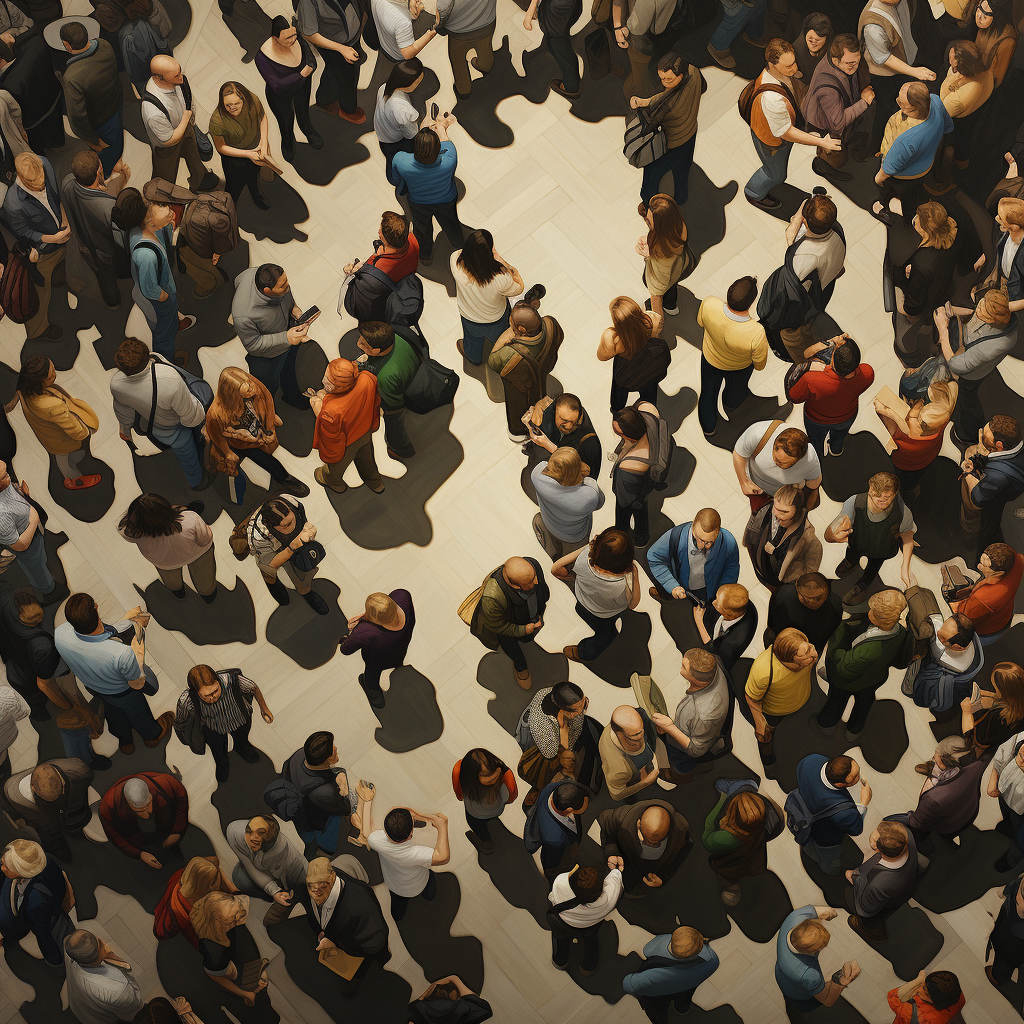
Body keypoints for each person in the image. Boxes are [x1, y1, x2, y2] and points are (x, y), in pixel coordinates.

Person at [54, 594, 174, 755]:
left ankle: (126, 742)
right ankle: (152, 736)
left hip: (93, 686)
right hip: (123, 692)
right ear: (96, 607)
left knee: (113, 711)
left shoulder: (60, 633)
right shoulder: (120, 653)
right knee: (138, 712)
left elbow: (100, 633)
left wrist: (128, 621)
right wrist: (138, 649)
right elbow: (136, 683)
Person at [743, 39, 842, 213]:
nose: (795, 69)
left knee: (777, 169)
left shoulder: (777, 74)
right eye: (788, 66)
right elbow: (787, 133)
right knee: (775, 173)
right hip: (770, 140)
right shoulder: (771, 99)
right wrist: (821, 143)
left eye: (794, 62)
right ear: (771, 64)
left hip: (776, 130)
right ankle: (753, 193)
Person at [110, 337, 209, 491]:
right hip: (176, 424)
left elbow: (124, 411)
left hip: (159, 427)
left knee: (183, 452)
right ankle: (197, 482)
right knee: (187, 454)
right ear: (147, 357)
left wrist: (125, 429)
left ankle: (195, 480)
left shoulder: (116, 383)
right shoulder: (169, 378)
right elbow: (191, 417)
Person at [110, 189, 194, 365]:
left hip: (159, 289)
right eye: (162, 210)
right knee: (164, 335)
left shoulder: (141, 227)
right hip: (158, 301)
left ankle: (174, 324)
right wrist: (165, 297)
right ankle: (166, 362)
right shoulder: (146, 255)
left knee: (168, 322)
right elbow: (150, 290)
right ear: (150, 221)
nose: (170, 213)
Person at [205, 367, 307, 501]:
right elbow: (216, 435)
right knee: (248, 464)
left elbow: (267, 399)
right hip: (239, 443)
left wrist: (269, 427)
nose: (253, 390)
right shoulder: (216, 414)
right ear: (232, 393)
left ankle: (283, 477)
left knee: (268, 457)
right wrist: (228, 453)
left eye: (251, 386)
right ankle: (282, 478)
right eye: (247, 391)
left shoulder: (252, 386)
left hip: (257, 434)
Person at [817, 590, 907, 738]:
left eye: (873, 611)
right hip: (874, 677)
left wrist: (838, 648)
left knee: (836, 700)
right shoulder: (900, 631)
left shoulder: (870, 650)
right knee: (864, 703)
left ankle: (827, 725)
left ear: (880, 619)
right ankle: (854, 731)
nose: (869, 611)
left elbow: (844, 669)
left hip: (848, 681)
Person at [1, 153, 67, 342]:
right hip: (41, 249)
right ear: (21, 179)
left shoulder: (44, 163)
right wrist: (54, 238)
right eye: (36, 184)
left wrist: (65, 219)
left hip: (61, 232)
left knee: (63, 261)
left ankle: (60, 277)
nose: (42, 185)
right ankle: (38, 329)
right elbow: (25, 232)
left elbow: (56, 196)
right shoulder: (13, 204)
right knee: (40, 288)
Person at [938, 290, 1018, 444]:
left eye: (983, 312)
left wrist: (943, 331)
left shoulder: (997, 344)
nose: (978, 310)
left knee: (968, 397)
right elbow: (974, 313)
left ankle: (966, 435)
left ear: (994, 320)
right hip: (968, 351)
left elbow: (957, 365)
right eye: (981, 304)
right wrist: (951, 311)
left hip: (970, 374)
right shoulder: (997, 312)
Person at [646, 509, 740, 637]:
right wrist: (671, 585)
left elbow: (732, 567)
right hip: (682, 584)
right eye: (698, 538)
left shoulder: (729, 542)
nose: (701, 546)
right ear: (693, 526)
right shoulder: (676, 535)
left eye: (708, 542)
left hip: (709, 590)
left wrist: (722, 592)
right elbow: (654, 556)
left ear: (718, 532)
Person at [10, 357, 100, 491]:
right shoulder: (52, 406)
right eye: (51, 374)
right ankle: (73, 478)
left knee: (61, 455)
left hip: (47, 433)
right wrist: (85, 432)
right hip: (59, 439)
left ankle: (71, 472)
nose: (54, 374)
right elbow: (73, 429)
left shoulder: (26, 388)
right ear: (40, 381)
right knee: (63, 456)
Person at [775, 195, 847, 363]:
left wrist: (791, 239)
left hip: (807, 303)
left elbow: (795, 286)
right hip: (827, 283)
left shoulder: (803, 257)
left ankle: (805, 358)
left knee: (797, 331)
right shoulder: (837, 229)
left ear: (805, 223)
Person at [232, 263, 313, 411]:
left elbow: (286, 293)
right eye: (283, 287)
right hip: (267, 356)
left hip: (287, 334)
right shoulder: (243, 315)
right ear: (267, 291)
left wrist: (293, 308)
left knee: (289, 370)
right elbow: (253, 345)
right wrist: (285, 338)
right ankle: (268, 411)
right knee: (266, 388)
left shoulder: (270, 278)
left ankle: (291, 396)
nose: (288, 287)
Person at [825, 471, 916, 602]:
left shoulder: (903, 512)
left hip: (883, 548)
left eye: (886, 497)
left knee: (872, 569)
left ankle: (860, 586)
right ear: (869, 491)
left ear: (895, 494)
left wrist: (905, 567)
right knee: (852, 555)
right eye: (876, 495)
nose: (880, 499)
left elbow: (907, 539)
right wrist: (832, 535)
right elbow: (833, 530)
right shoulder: (855, 501)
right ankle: (849, 563)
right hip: (858, 541)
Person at [555, 527, 641, 664]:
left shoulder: (584, 557)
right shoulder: (621, 584)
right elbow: (632, 604)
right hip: (604, 615)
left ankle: (582, 650)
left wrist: (570, 575)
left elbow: (555, 568)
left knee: (585, 612)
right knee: (608, 635)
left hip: (582, 602)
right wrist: (635, 575)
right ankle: (585, 653)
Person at [304, 856, 390, 993]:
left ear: (332, 878)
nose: (315, 893)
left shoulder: (360, 906)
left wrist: (335, 944)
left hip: (364, 944)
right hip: (340, 935)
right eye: (311, 885)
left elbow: (375, 941)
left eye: (322, 884)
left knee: (373, 959)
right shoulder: (319, 886)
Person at [858, 0, 934, 152]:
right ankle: (876, 147)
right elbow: (884, 58)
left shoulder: (898, 2)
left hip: (905, 64)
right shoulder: (873, 25)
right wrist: (915, 72)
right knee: (885, 109)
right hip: (885, 75)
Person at [696, 276, 768, 437]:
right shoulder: (756, 332)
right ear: (751, 303)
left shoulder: (709, 303)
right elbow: (759, 364)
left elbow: (700, 322)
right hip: (739, 367)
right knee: (736, 389)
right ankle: (731, 404)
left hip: (710, 359)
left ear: (729, 292)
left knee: (708, 392)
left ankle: (709, 427)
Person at [891, 202, 960, 368]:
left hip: (925, 304)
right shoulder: (952, 232)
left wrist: (906, 284)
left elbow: (913, 306)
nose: (914, 221)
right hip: (944, 288)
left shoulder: (922, 263)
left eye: (918, 220)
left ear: (927, 230)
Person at [174, 665, 271, 782]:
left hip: (238, 719)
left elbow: (253, 687)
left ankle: (242, 748)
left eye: (215, 690)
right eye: (207, 695)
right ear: (197, 692)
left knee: (242, 740)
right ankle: (223, 766)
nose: (213, 696)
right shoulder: (187, 700)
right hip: (213, 727)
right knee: (218, 751)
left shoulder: (231, 680)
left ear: (218, 681)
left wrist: (264, 708)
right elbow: (181, 721)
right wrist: (187, 738)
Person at [627, 54, 702, 208]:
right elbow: (669, 94)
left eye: (669, 79)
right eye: (662, 78)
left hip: (673, 142)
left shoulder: (668, 107)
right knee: (682, 169)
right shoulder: (694, 73)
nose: (665, 83)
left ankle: (648, 204)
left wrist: (640, 103)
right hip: (690, 131)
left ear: (681, 75)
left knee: (652, 172)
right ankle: (681, 197)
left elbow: (649, 125)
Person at [60, 149, 129, 311]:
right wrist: (121, 180)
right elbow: (120, 236)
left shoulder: (67, 182)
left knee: (101, 274)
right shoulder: (108, 208)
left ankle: (112, 302)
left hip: (84, 243)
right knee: (107, 276)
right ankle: (113, 302)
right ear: (99, 171)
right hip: (104, 251)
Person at [873, 85, 952, 227]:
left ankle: (892, 210)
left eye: (901, 103)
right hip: (928, 161)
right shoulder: (935, 100)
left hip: (907, 176)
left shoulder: (905, 141)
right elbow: (948, 126)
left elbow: (889, 169)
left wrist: (878, 180)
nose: (898, 103)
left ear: (913, 109)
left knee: (903, 195)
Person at [650, 648, 730, 783]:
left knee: (680, 765)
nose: (680, 667)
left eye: (684, 667)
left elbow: (696, 750)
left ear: (696, 678)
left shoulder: (705, 713)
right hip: (698, 727)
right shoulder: (714, 663)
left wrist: (669, 727)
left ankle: (681, 776)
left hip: (683, 751)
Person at [802, 34, 874, 184]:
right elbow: (838, 122)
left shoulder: (841, 63)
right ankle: (828, 168)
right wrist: (864, 102)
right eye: (850, 63)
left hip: (834, 111)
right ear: (835, 60)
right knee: (834, 154)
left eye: (857, 62)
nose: (854, 67)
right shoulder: (828, 88)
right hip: (825, 125)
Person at [118, 494, 217, 602]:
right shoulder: (190, 519)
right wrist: (183, 510)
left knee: (171, 580)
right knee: (205, 578)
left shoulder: (132, 532)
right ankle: (207, 594)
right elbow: (205, 540)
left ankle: (178, 591)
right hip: (197, 554)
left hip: (164, 563)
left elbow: (124, 529)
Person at [469, 555, 548, 689]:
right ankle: (521, 667)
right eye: (529, 582)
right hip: (509, 624)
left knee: (527, 637)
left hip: (528, 612)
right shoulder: (493, 599)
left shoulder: (531, 565)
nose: (536, 582)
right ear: (514, 585)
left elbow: (542, 587)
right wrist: (524, 629)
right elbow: (499, 627)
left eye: (534, 576)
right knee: (508, 642)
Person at [188, 892, 275, 1013]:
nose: (241, 917)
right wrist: (246, 994)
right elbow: (215, 975)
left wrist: (260, 969)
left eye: (238, 908)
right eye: (234, 918)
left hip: (254, 972)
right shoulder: (214, 950)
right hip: (247, 984)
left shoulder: (232, 917)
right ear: (217, 919)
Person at [788, 336, 873, 460]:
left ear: (832, 360)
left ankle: (818, 456)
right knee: (840, 436)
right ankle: (836, 449)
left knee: (816, 440)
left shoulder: (812, 378)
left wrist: (811, 367)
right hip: (847, 416)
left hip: (816, 419)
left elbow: (795, 397)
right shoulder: (868, 372)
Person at [392, 120, 464, 264]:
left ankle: (425, 255)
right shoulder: (449, 159)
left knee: (422, 229)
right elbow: (446, 142)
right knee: (451, 223)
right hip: (446, 200)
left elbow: (395, 178)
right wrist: (441, 127)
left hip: (418, 202)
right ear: (438, 148)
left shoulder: (400, 160)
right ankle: (459, 246)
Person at [488, 302, 562, 441]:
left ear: (521, 329)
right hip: (542, 369)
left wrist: (509, 334)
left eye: (511, 322)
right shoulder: (551, 325)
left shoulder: (512, 354)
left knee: (518, 408)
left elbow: (492, 361)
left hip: (521, 388)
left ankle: (519, 434)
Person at [308, 358, 383, 495]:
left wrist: (320, 411)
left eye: (327, 380)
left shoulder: (330, 411)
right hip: (365, 431)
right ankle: (375, 482)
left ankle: (335, 483)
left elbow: (332, 441)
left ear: (335, 386)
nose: (323, 381)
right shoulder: (367, 378)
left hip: (346, 444)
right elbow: (375, 402)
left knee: (335, 469)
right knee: (366, 459)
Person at [745, 629, 817, 770]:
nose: (813, 654)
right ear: (790, 658)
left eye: (810, 647)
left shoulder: (808, 658)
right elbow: (751, 697)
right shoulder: (763, 672)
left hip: (796, 701)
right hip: (774, 711)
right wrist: (761, 724)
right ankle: (767, 760)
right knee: (767, 737)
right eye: (806, 653)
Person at [142, 55, 218, 191]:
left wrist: (190, 119)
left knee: (193, 154)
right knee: (165, 177)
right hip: (166, 147)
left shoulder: (179, 80)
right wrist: (186, 117)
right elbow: (169, 140)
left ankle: (199, 180)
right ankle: (163, 198)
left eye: (180, 72)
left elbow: (186, 98)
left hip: (185, 128)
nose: (181, 78)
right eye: (176, 76)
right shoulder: (153, 111)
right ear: (159, 78)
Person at [59, 21, 124, 178]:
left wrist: (93, 140)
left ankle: (106, 173)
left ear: (67, 45)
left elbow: (77, 117)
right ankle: (117, 158)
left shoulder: (72, 77)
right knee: (117, 136)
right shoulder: (104, 44)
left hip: (100, 121)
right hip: (116, 102)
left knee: (106, 149)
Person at [516, 683, 599, 806]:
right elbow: (550, 753)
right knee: (546, 775)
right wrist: (562, 729)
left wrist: (569, 744)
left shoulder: (557, 695)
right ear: (564, 710)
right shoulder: (542, 724)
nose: (582, 711)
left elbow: (576, 729)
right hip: (546, 749)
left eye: (583, 703)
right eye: (577, 708)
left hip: (557, 739)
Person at [451, 229, 524, 365]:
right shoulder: (501, 278)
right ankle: (503, 360)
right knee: (501, 340)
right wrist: (509, 267)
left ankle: (474, 359)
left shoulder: (455, 260)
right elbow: (518, 288)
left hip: (468, 316)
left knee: (472, 340)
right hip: (495, 318)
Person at [246, 496, 328, 614]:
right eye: (287, 525)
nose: (293, 525)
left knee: (302, 570)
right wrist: (291, 548)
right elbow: (271, 564)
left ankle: (306, 592)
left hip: (290, 544)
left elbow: (302, 517)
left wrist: (308, 531)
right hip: (273, 551)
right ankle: (279, 591)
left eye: (292, 518)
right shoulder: (259, 535)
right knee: (269, 573)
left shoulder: (291, 502)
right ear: (272, 526)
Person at [702, 786, 784, 905]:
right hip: (754, 855)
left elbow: (707, 839)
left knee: (729, 876)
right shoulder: (761, 823)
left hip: (731, 865)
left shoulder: (728, 837)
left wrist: (722, 799)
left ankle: (731, 889)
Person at [256, 17, 321, 163]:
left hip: (302, 85)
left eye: (294, 35)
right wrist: (301, 75)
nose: (292, 40)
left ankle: (308, 130)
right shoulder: (262, 56)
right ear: (275, 38)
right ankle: (288, 143)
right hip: (279, 95)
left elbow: (310, 60)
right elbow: (277, 85)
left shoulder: (297, 40)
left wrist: (308, 69)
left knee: (303, 111)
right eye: (287, 38)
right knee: (285, 121)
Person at [622, 925, 720, 1024]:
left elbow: (630, 985)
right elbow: (713, 959)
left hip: (657, 994)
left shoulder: (653, 974)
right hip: (687, 985)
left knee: (657, 1011)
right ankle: (682, 1007)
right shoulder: (711, 961)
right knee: (685, 993)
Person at [0, 757, 92, 862]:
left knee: (74, 818)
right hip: (39, 816)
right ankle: (63, 853)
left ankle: (74, 829)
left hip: (70, 806)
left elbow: (87, 777)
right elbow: (9, 807)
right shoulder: (13, 791)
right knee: (51, 835)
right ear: (32, 788)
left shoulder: (77, 769)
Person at [280, 732, 356, 858]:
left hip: (298, 805)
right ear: (326, 760)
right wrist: (343, 787)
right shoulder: (324, 791)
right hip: (315, 818)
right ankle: (324, 852)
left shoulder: (300, 755)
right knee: (326, 837)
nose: (336, 749)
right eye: (333, 752)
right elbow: (345, 808)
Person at [367, 806, 449, 921]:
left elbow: (393, 810)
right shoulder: (415, 854)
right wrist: (442, 826)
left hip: (394, 885)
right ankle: (429, 896)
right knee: (430, 893)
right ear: (410, 835)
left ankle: (398, 916)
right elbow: (443, 857)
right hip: (419, 883)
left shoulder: (374, 840)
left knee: (397, 910)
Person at [0, 839, 73, 968]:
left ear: (21, 872)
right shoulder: (41, 860)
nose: (2, 867)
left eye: (6, 866)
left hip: (18, 925)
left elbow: (44, 935)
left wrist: (54, 960)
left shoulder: (36, 905)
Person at [844, 820, 920, 941]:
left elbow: (865, 909)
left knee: (845, 894)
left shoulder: (879, 884)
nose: (872, 840)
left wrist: (855, 878)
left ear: (878, 850)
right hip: (910, 880)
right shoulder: (907, 835)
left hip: (885, 900)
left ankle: (869, 929)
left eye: (874, 841)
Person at [356, 321, 421, 460]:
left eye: (363, 344)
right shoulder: (397, 335)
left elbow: (393, 406)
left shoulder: (385, 376)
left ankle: (400, 449)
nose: (358, 344)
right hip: (415, 372)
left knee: (394, 424)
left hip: (402, 397)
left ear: (376, 351)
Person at [227, 815, 308, 927]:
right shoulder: (234, 832)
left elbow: (297, 872)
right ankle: (273, 896)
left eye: (260, 833)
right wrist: (274, 891)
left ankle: (290, 896)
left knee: (299, 881)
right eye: (249, 831)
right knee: (239, 877)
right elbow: (249, 865)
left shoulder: (283, 850)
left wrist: (283, 892)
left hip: (288, 874)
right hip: (263, 869)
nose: (251, 837)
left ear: (271, 836)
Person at [960, 414, 1024, 555]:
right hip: (1016, 481)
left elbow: (978, 499)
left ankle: (974, 550)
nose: (981, 437)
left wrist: (969, 473)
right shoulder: (1019, 446)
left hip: (998, 495)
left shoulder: (995, 476)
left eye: (984, 437)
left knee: (988, 526)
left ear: (999, 445)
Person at [339, 590, 415, 709]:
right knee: (397, 662)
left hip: (376, 660)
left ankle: (372, 691)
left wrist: (353, 631)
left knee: (371, 675)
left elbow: (345, 650)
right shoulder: (403, 597)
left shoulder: (367, 631)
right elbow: (390, 606)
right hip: (400, 650)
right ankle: (399, 672)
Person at [876, 382, 956, 493]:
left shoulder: (910, 441)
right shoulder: (942, 418)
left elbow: (896, 429)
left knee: (905, 481)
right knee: (915, 478)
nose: (910, 417)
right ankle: (911, 488)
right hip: (928, 457)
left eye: (914, 419)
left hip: (907, 466)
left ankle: (907, 491)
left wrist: (885, 412)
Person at [775, 904, 860, 1010]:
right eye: (820, 948)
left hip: (781, 973)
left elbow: (817, 911)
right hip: (800, 997)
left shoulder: (794, 918)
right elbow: (827, 1001)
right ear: (808, 952)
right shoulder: (809, 974)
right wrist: (842, 980)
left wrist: (828, 912)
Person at [99, 772, 189, 868]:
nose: (146, 815)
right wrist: (139, 853)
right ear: (128, 804)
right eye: (139, 811)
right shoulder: (108, 807)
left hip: (163, 822)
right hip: (135, 832)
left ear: (151, 793)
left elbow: (182, 799)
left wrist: (177, 831)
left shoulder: (167, 783)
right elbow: (115, 836)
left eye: (147, 806)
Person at [343, 211, 421, 323]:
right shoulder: (413, 240)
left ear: (386, 239)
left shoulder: (378, 268)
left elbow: (370, 285)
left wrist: (353, 270)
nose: (379, 232)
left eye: (381, 231)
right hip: (406, 276)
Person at [743, 484, 822, 591]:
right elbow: (751, 533)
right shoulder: (764, 512)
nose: (777, 515)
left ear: (797, 511)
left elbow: (809, 575)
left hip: (780, 584)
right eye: (776, 508)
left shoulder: (809, 540)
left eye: (784, 512)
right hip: (762, 571)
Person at [297, 0, 366, 123]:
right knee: (348, 76)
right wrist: (342, 49)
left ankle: (325, 100)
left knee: (334, 69)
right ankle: (348, 110)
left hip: (351, 37)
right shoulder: (307, 2)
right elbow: (309, 34)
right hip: (333, 44)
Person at [908, 736, 987, 842]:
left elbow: (916, 821)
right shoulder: (974, 766)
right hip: (965, 816)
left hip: (944, 826)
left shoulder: (932, 797)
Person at [599, 799, 689, 892]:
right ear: (638, 824)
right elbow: (607, 828)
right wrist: (612, 852)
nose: (649, 845)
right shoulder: (621, 817)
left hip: (651, 868)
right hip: (627, 861)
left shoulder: (681, 829)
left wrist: (663, 876)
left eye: (657, 843)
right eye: (646, 839)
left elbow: (684, 849)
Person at [208, 81, 273, 210]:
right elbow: (221, 147)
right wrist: (249, 154)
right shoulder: (217, 120)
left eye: (237, 103)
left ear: (244, 99)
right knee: (233, 186)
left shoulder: (252, 100)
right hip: (233, 157)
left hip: (255, 148)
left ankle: (256, 195)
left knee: (253, 176)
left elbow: (262, 117)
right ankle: (230, 207)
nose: (233, 108)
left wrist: (263, 143)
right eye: (228, 105)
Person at [531, 448, 605, 560]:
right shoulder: (589, 494)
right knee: (573, 560)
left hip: (550, 522)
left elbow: (544, 465)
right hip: (575, 535)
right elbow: (600, 503)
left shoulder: (536, 475)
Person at [733, 421, 822, 514]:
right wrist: (743, 481)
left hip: (782, 496)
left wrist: (803, 511)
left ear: (799, 460)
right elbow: (739, 454)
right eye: (775, 456)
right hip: (755, 485)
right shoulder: (759, 433)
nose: (776, 463)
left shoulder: (810, 461)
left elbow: (813, 486)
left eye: (784, 463)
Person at [598, 297, 669, 414]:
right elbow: (655, 339)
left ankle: (617, 410)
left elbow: (602, 356)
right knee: (649, 389)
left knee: (619, 389)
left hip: (626, 370)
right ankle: (648, 411)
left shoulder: (613, 337)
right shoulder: (652, 319)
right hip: (648, 363)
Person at [548, 863, 622, 974]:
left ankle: (560, 962)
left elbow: (551, 897)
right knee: (591, 941)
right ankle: (588, 967)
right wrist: (616, 870)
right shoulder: (608, 899)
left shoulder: (560, 883)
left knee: (560, 940)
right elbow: (615, 879)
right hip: (590, 925)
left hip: (563, 922)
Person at [64, 930, 145, 1024]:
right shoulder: (119, 990)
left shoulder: (70, 951)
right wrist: (116, 960)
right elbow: (135, 1009)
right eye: (101, 943)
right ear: (98, 955)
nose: (104, 942)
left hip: (80, 1008)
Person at [609, 402, 661, 546]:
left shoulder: (629, 465)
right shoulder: (649, 416)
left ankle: (623, 534)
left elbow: (623, 499)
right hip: (647, 479)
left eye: (620, 433)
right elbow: (645, 404)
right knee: (641, 504)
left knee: (626, 509)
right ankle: (642, 535)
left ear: (630, 435)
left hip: (631, 484)